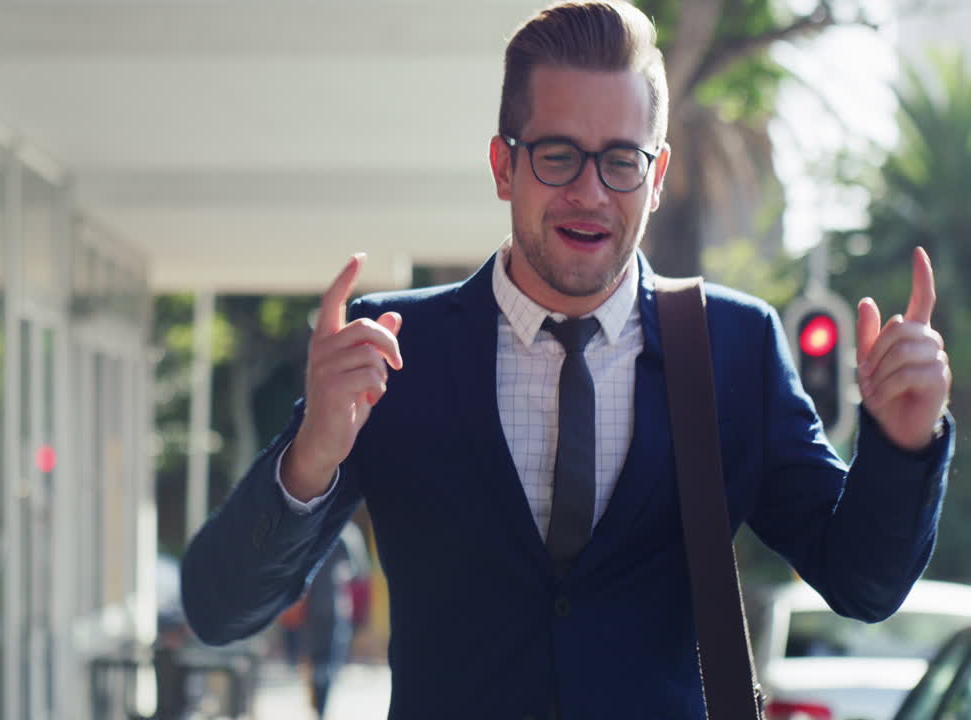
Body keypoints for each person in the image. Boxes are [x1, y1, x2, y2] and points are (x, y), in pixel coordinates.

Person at [180, 1, 955, 717]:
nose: (590, 190)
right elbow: (219, 610)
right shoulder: (391, 347)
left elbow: (864, 582)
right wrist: (313, 453)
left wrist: (904, 444)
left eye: (621, 160)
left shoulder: (735, 348)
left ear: (655, 179)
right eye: (557, 155)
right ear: (502, 166)